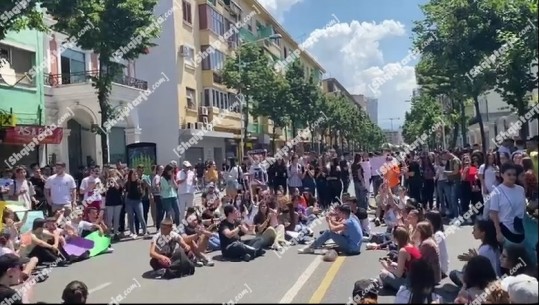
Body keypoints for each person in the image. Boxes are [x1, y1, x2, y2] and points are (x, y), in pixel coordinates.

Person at [489, 162, 526, 244]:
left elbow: (523, 209)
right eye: (509, 174)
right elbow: (493, 214)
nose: (512, 177)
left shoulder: (520, 189)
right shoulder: (496, 191)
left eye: (514, 174)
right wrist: (498, 232)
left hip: (522, 229)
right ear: (502, 175)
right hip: (506, 230)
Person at [379, 226, 421, 290]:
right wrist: (393, 263)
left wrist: (388, 268)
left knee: (383, 273)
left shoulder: (403, 251)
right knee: (392, 271)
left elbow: (399, 274)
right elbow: (407, 266)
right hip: (419, 281)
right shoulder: (412, 246)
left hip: (410, 285)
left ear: (396, 238)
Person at [425, 211, 449, 278]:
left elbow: (432, 252)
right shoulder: (433, 233)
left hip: (440, 268)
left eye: (426, 220)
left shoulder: (438, 235)